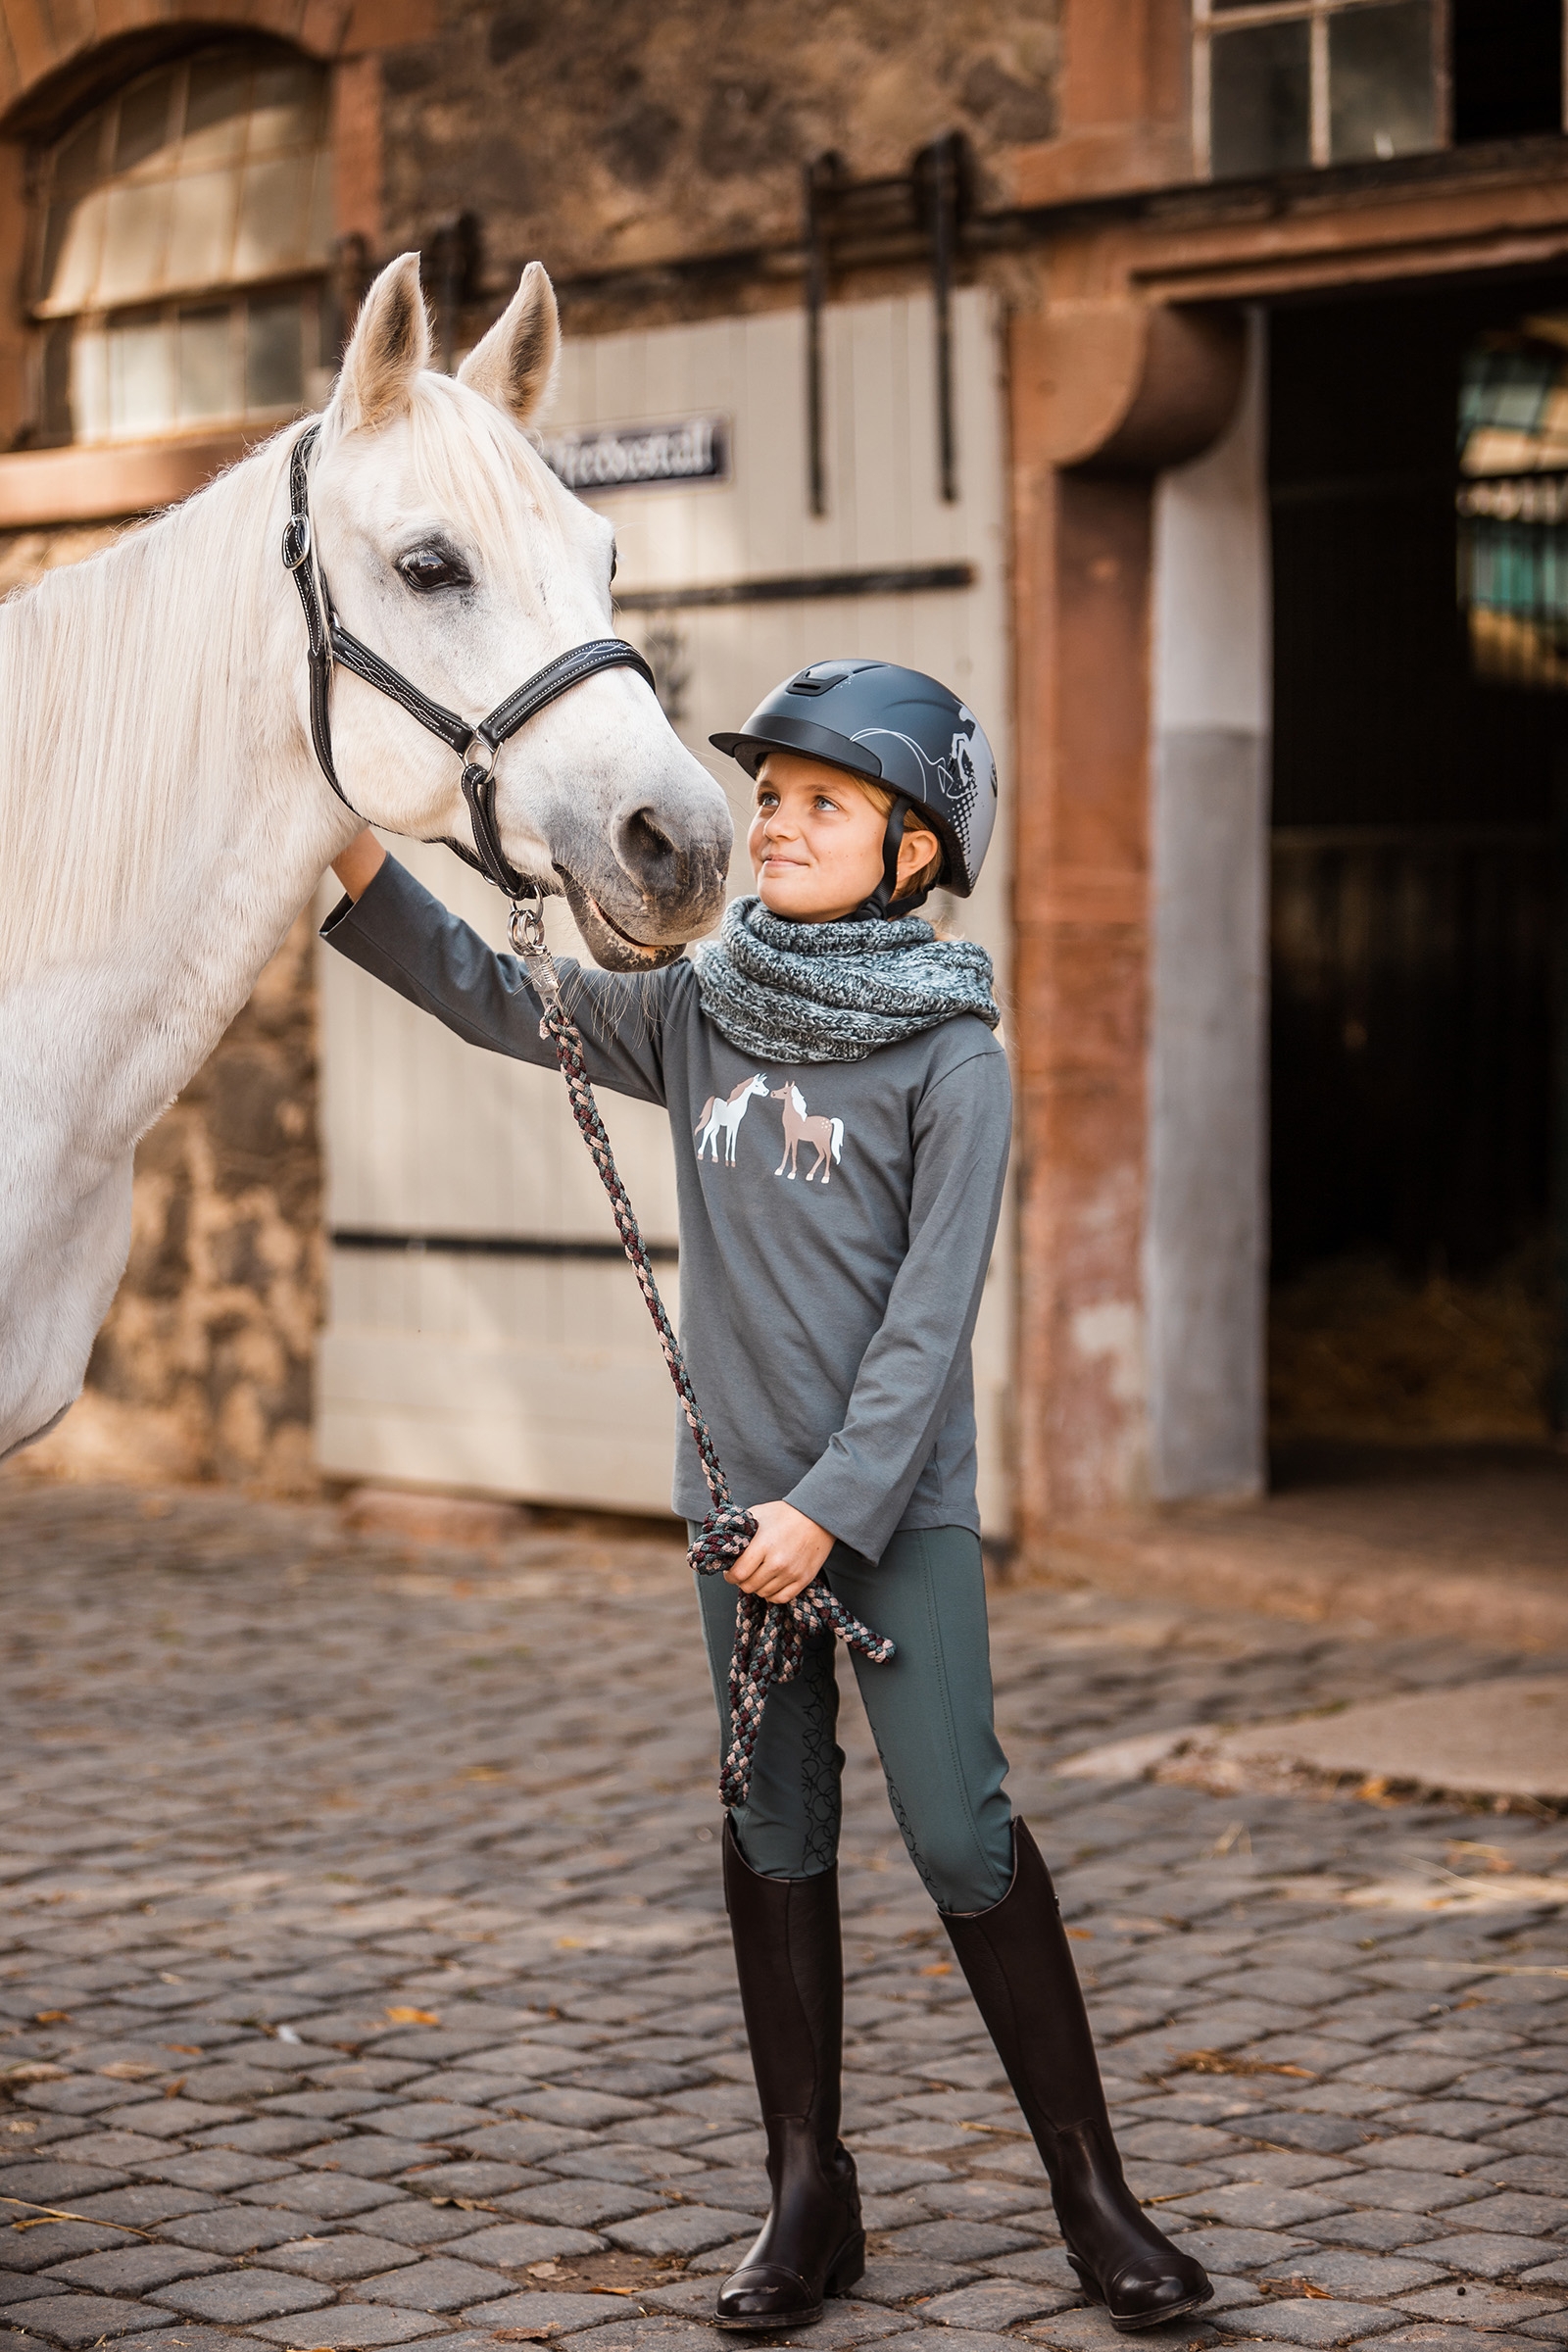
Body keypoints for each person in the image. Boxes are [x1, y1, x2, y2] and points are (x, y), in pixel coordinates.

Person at [321, 660, 1211, 2338]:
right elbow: (499, 1000)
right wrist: (354, 856)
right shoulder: (703, 1006)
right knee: (773, 1827)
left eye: (822, 803)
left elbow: (930, 1328)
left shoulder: (956, 1061)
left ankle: (1096, 2194)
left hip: (890, 1516)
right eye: (773, 794)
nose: (775, 823)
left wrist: (836, 1509)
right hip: (736, 1520)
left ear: (916, 851)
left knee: (959, 1829)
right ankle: (809, 2191)